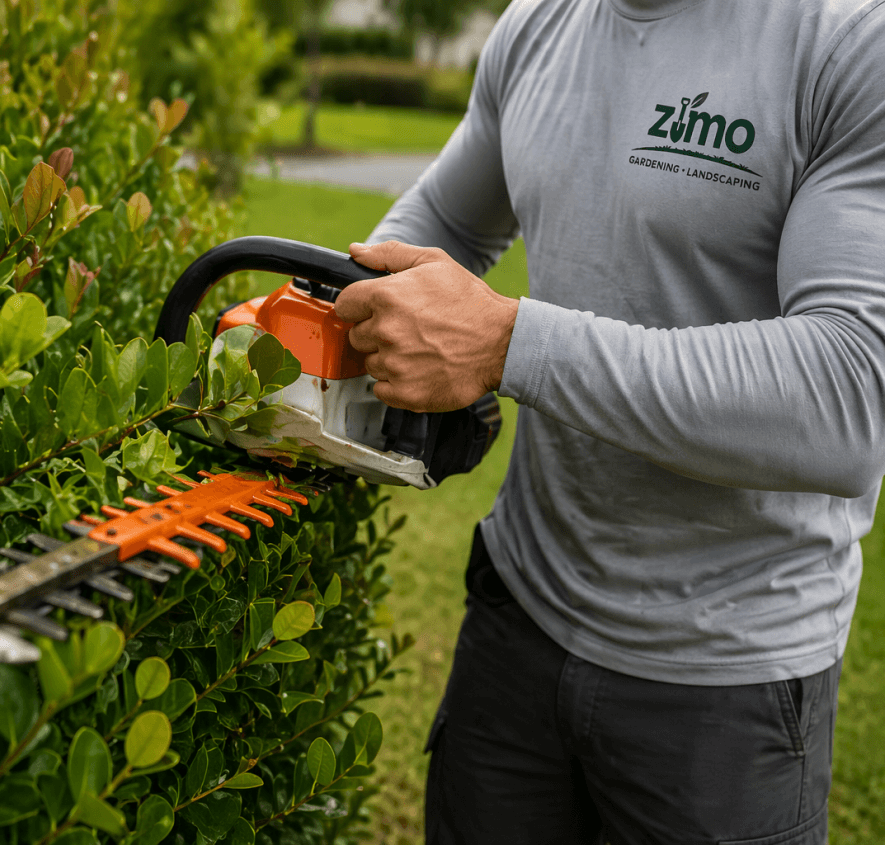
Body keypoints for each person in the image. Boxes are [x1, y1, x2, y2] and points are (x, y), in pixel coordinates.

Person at [330, 0, 885, 842]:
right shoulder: (538, 24)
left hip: (724, 679)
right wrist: (314, 322)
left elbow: (849, 397)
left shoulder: (846, 38)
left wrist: (508, 343)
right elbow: (441, 223)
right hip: (517, 620)